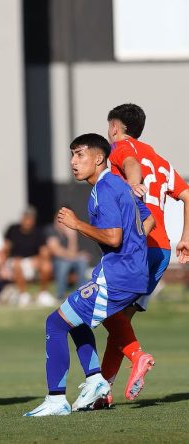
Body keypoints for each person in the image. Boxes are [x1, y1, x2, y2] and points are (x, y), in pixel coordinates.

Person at [24, 133, 154, 417]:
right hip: (129, 273)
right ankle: (96, 379)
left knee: (55, 325)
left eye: (80, 154)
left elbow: (113, 237)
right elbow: (148, 218)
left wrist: (76, 224)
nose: (73, 162)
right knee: (76, 319)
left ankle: (56, 399)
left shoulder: (106, 187)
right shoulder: (116, 185)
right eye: (72, 155)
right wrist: (136, 251)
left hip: (118, 276)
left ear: (99, 158)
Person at [96, 103, 189, 406]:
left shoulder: (121, 146)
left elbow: (131, 162)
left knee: (100, 307)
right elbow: (187, 195)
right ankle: (103, 391)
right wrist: (185, 237)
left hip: (136, 243)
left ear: (115, 127)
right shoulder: (161, 160)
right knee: (121, 320)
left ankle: (137, 356)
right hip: (160, 250)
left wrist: (133, 183)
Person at [3, 207, 55, 307]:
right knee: (17, 263)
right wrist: (2, 266)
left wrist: (39, 259)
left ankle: (43, 294)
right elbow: (5, 249)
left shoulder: (38, 232)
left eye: (30, 218)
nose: (28, 221)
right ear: (22, 218)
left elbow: (44, 251)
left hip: (32, 261)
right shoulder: (13, 229)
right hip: (14, 262)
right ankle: (23, 296)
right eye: (26, 218)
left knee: (47, 266)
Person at [45, 211, 89, 299]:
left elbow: (74, 252)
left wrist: (72, 236)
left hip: (70, 259)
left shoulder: (70, 231)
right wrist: (75, 255)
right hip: (55, 261)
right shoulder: (50, 230)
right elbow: (57, 252)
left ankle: (83, 294)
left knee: (82, 261)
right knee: (64, 264)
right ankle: (60, 294)